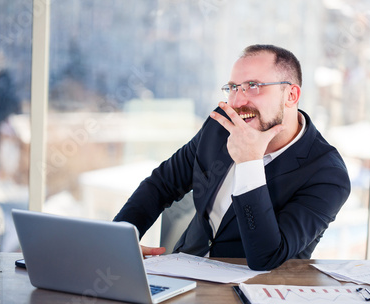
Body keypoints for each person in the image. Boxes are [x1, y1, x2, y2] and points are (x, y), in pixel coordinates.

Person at [114, 44, 350, 273]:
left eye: (253, 86)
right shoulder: (221, 125)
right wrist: (120, 241)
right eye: (233, 88)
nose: (237, 102)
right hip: (184, 271)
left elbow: (266, 257)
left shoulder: (327, 175)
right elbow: (162, 184)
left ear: (291, 94)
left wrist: (250, 163)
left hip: (255, 295)